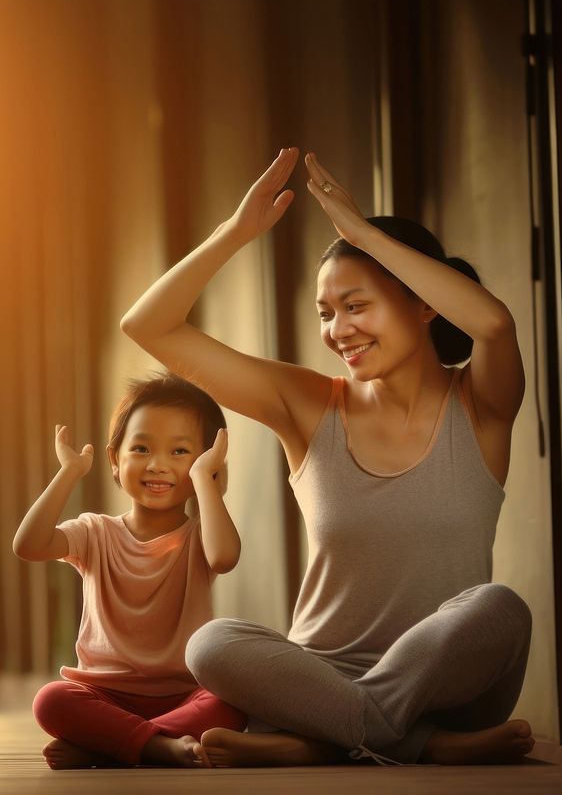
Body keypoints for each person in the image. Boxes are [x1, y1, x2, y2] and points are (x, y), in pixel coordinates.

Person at [120, 147, 534, 768]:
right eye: (326, 313)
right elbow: (148, 324)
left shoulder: (480, 406)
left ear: (424, 303)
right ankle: (406, 742)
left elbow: (495, 325)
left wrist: (363, 234)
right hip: (315, 681)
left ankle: (330, 738)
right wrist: (235, 234)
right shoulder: (309, 406)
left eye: (356, 305)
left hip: (449, 686)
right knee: (212, 642)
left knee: (499, 609)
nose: (337, 330)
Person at [13, 373, 247, 770]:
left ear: (203, 462)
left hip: (182, 695)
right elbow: (29, 545)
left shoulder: (202, 537)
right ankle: (155, 746)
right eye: (140, 448)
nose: (157, 465)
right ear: (114, 461)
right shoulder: (94, 532)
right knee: (51, 700)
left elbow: (224, 557)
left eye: (180, 452)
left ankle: (109, 745)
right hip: (105, 695)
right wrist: (69, 472)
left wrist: (207, 481)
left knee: (230, 705)